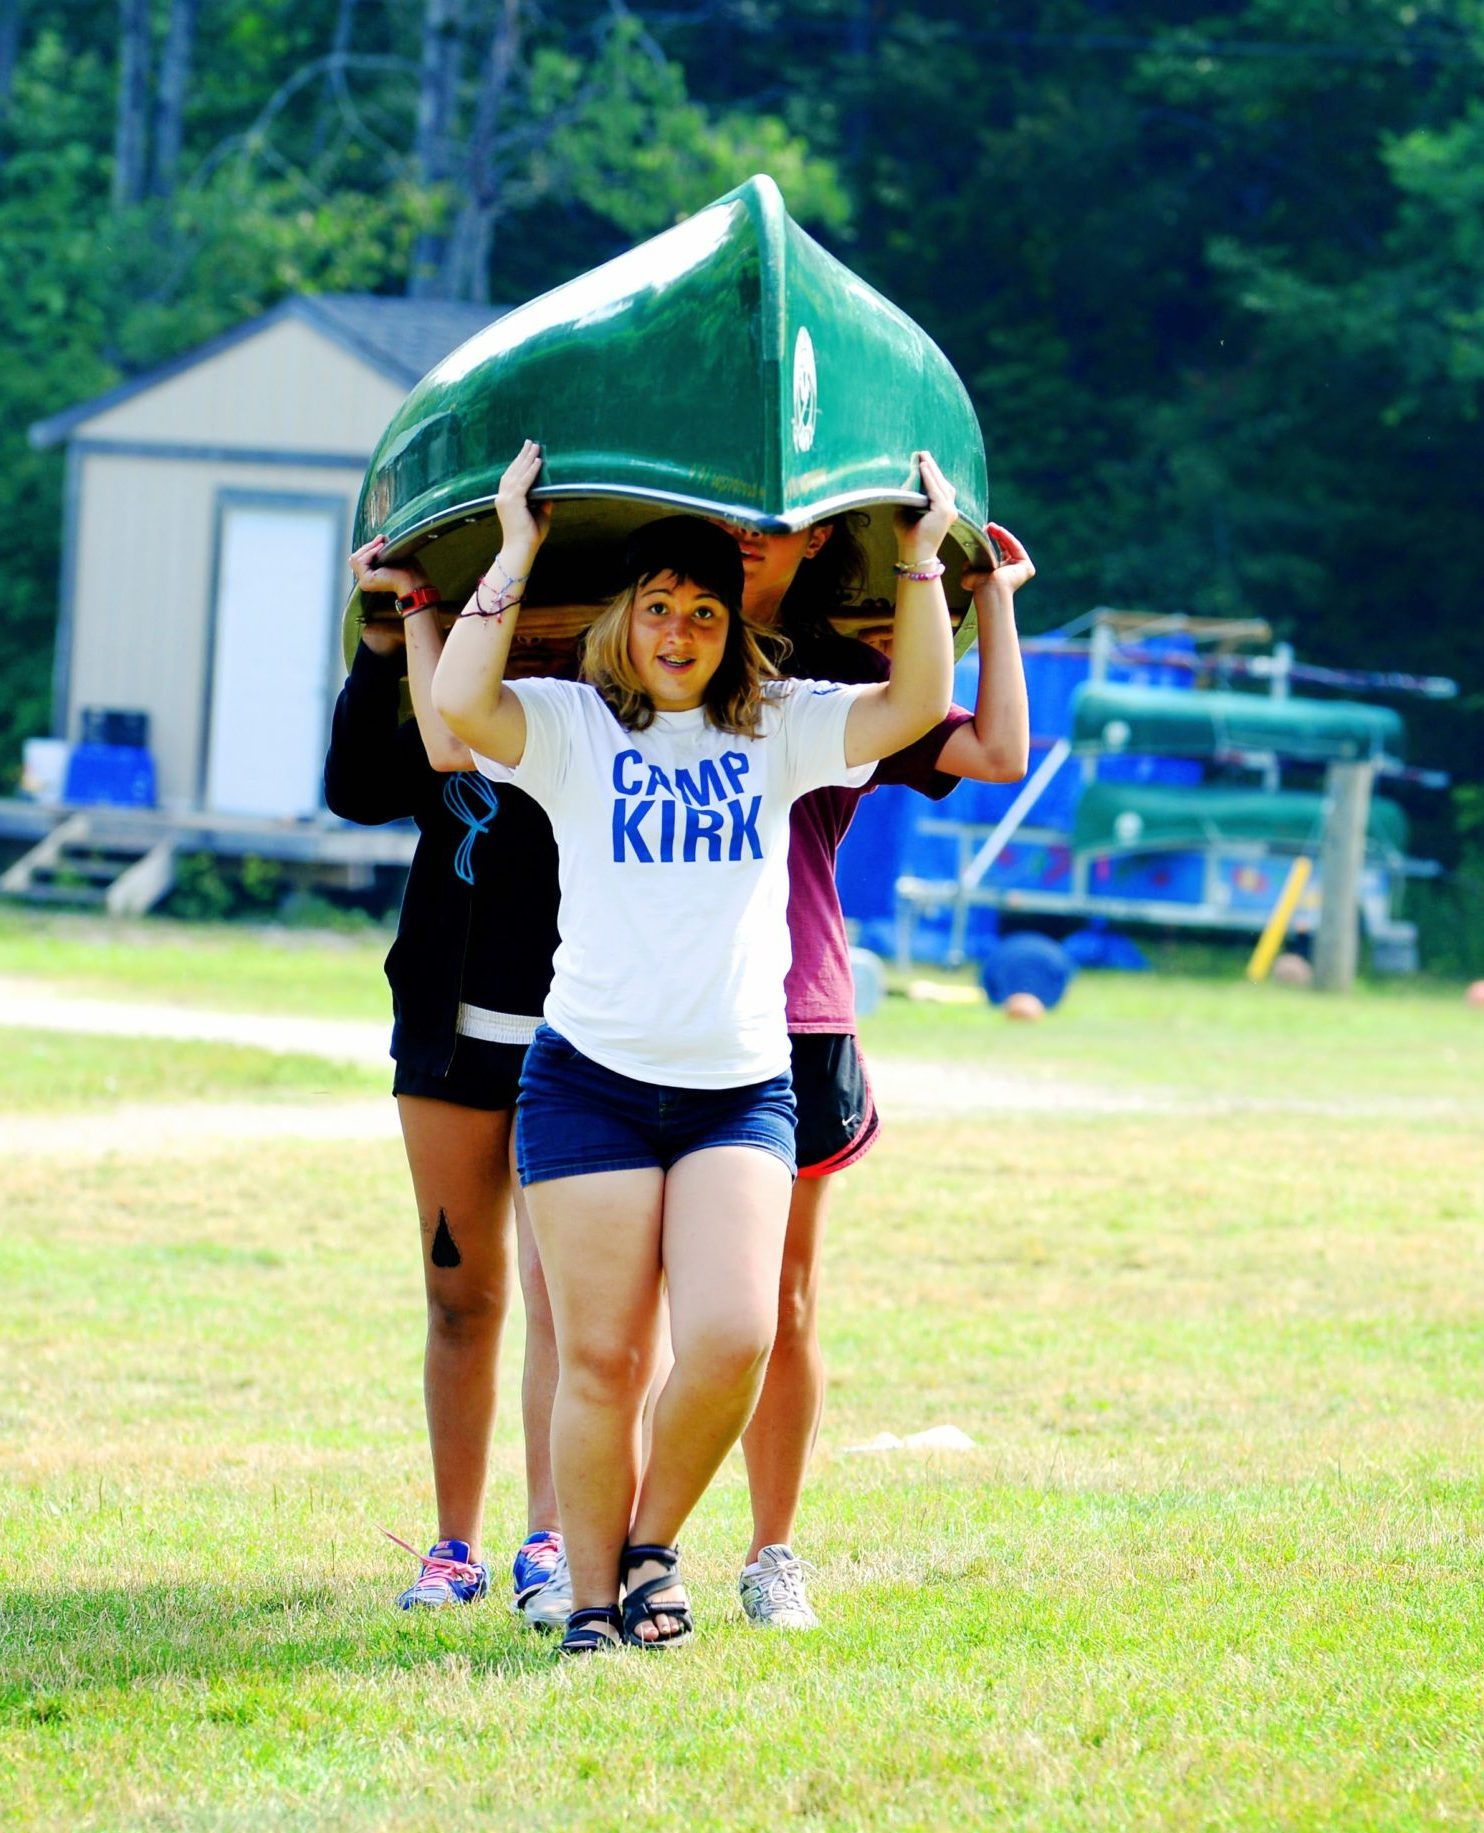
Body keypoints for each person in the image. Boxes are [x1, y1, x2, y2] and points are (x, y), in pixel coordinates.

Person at [417, 439, 957, 1651]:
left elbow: (914, 708)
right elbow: (456, 707)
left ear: (729, 632)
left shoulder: (779, 726)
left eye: (703, 611)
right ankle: (594, 1608)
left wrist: (920, 563)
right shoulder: (569, 727)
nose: (677, 631)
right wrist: (512, 550)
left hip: (735, 1091)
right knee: (600, 1358)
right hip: (590, 1086)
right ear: (625, 619)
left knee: (732, 1335)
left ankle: (652, 1542)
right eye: (657, 606)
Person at [720, 511, 1035, 1627]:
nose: (749, 534)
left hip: (794, 1014)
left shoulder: (845, 678)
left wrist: (988, 594)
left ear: (815, 542)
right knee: (628, 1308)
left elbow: (996, 755)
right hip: (646, 1010)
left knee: (780, 1302)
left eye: (777, 521)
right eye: (726, 516)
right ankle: (603, 1550)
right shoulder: (634, 644)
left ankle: (770, 1555)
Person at [325, 550, 571, 1624]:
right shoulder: (452, 665)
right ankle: (453, 1546)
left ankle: (556, 1538)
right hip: (449, 1025)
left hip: (586, 1033)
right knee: (460, 1298)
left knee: (571, 1305)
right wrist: (384, 645)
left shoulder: (617, 698)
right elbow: (357, 790)